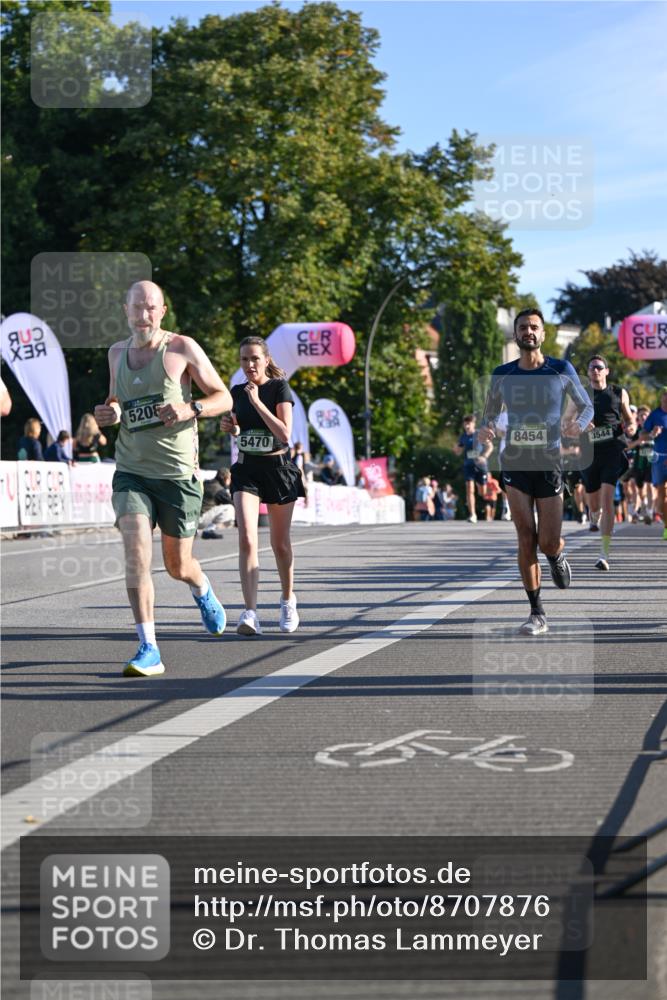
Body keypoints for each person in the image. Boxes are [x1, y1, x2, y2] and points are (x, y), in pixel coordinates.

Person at [94, 280, 232, 677]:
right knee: (137, 553)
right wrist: (111, 414)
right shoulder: (116, 353)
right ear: (125, 310)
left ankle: (201, 587)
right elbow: (116, 402)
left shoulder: (181, 348)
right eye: (137, 308)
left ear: (163, 311)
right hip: (132, 472)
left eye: (151, 308)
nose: (144, 315)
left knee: (177, 565)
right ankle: (148, 646)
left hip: (177, 476)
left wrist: (191, 408)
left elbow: (223, 395)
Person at [478, 308, 594, 636]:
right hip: (515, 462)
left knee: (548, 541)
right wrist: (486, 428)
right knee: (525, 535)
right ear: (515, 336)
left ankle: (556, 557)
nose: (528, 332)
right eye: (523, 328)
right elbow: (488, 413)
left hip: (549, 462)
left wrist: (579, 425)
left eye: (534, 327)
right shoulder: (502, 374)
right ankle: (537, 612)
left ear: (543, 334)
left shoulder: (561, 369)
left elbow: (586, 406)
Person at [221, 335, 305, 636]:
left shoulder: (279, 388)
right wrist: (233, 428)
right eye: (244, 359)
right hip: (247, 469)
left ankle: (287, 600)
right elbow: (242, 430)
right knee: (246, 538)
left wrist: (257, 402)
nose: (249, 365)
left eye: (254, 358)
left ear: (266, 360)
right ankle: (250, 612)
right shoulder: (236, 391)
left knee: (280, 544)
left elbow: (284, 433)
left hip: (278, 468)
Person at [577, 356, 635, 571]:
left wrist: (631, 428)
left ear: (607, 371)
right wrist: (580, 425)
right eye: (592, 368)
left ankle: (604, 553)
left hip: (613, 449)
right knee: (594, 504)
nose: (595, 371)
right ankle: (594, 515)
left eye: (599, 367)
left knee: (607, 497)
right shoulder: (581, 395)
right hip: (590, 452)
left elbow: (629, 419)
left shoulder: (618, 392)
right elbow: (567, 422)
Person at [640, 387, 667, 541]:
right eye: (664, 395)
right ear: (661, 397)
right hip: (659, 458)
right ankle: (666, 526)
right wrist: (651, 434)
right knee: (661, 494)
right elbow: (642, 435)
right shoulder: (655, 415)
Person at [454, 415, 492, 523]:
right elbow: (458, 451)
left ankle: (486, 498)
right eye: (465, 424)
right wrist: (456, 449)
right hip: (468, 465)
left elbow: (490, 447)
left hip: (481, 466)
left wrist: (484, 457)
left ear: (473, 424)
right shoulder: (463, 437)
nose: (466, 426)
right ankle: (473, 515)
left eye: (468, 423)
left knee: (482, 493)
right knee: (469, 489)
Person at [199, 467, 235, 538]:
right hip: (201, 519)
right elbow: (233, 503)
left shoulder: (206, 483)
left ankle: (199, 531)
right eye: (229, 478)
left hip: (194, 516)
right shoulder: (219, 490)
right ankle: (209, 530)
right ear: (226, 478)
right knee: (229, 508)